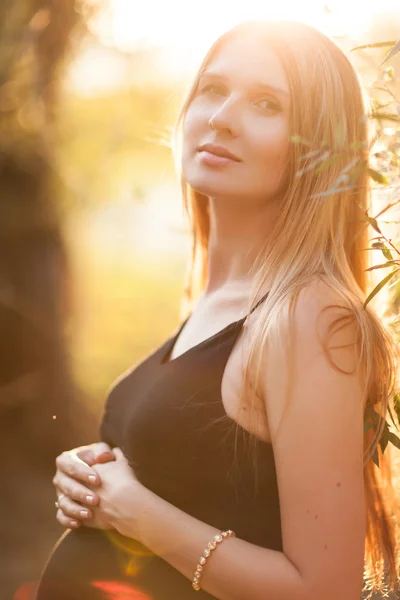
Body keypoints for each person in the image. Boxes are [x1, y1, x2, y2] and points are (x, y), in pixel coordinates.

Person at [35, 19, 399, 600]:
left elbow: (325, 589)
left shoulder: (314, 316)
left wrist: (132, 510)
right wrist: (92, 477)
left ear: (319, 149)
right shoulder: (218, 302)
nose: (221, 116)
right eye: (212, 89)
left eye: (265, 103)